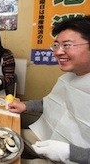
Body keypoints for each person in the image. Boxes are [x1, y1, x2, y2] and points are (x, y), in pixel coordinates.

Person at [8, 15, 90, 163]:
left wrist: (69, 152)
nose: (58, 52)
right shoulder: (69, 77)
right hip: (48, 136)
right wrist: (26, 105)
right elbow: (51, 103)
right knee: (7, 138)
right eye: (56, 45)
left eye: (67, 45)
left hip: (75, 157)